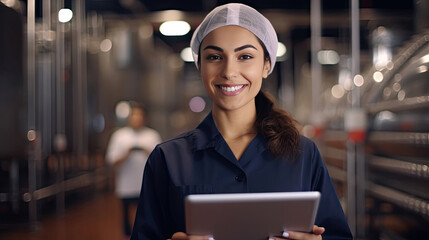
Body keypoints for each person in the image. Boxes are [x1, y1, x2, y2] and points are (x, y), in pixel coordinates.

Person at [131, 3, 352, 240]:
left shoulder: (303, 153)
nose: (229, 71)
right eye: (215, 57)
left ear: (266, 65)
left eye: (245, 56)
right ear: (200, 66)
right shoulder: (167, 158)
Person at [106, 102, 162, 240]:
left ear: (144, 117)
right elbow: (111, 161)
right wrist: (127, 153)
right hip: (126, 185)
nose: (136, 118)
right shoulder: (119, 136)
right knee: (126, 219)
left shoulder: (152, 136)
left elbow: (161, 161)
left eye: (139, 115)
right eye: (134, 115)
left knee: (148, 216)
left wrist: (146, 151)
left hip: (147, 185)